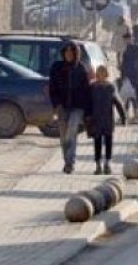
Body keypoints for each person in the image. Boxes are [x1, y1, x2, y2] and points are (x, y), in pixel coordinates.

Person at [48, 43, 91, 174]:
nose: (69, 55)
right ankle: (66, 161)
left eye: (71, 52)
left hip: (77, 107)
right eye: (66, 52)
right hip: (62, 106)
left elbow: (86, 91)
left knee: (71, 131)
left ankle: (70, 162)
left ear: (76, 54)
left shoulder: (81, 69)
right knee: (63, 135)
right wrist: (56, 104)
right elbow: (52, 88)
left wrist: (87, 111)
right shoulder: (57, 67)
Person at [89, 66, 126, 175]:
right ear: (97, 75)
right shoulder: (92, 87)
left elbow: (117, 102)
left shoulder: (110, 88)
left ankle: (107, 164)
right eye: (99, 73)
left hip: (108, 120)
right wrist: (86, 116)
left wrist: (123, 116)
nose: (101, 76)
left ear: (106, 75)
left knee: (108, 142)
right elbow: (88, 103)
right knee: (97, 142)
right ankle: (98, 165)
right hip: (95, 120)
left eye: (103, 73)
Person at [121, 31, 138, 120]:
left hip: (134, 77)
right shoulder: (128, 49)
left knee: (133, 96)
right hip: (130, 76)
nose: (125, 41)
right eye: (125, 40)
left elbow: (136, 63)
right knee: (128, 96)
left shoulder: (135, 49)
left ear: (131, 39)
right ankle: (126, 114)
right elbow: (124, 65)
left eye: (127, 40)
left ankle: (136, 114)